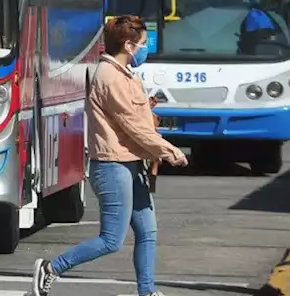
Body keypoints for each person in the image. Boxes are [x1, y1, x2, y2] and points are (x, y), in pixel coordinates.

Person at [32, 15, 188, 296]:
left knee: (147, 232)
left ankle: (147, 292)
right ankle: (52, 268)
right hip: (113, 166)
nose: (144, 49)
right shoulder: (109, 76)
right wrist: (169, 151)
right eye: (142, 44)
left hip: (131, 164)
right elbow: (133, 125)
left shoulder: (124, 74)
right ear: (128, 46)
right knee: (111, 240)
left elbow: (136, 121)